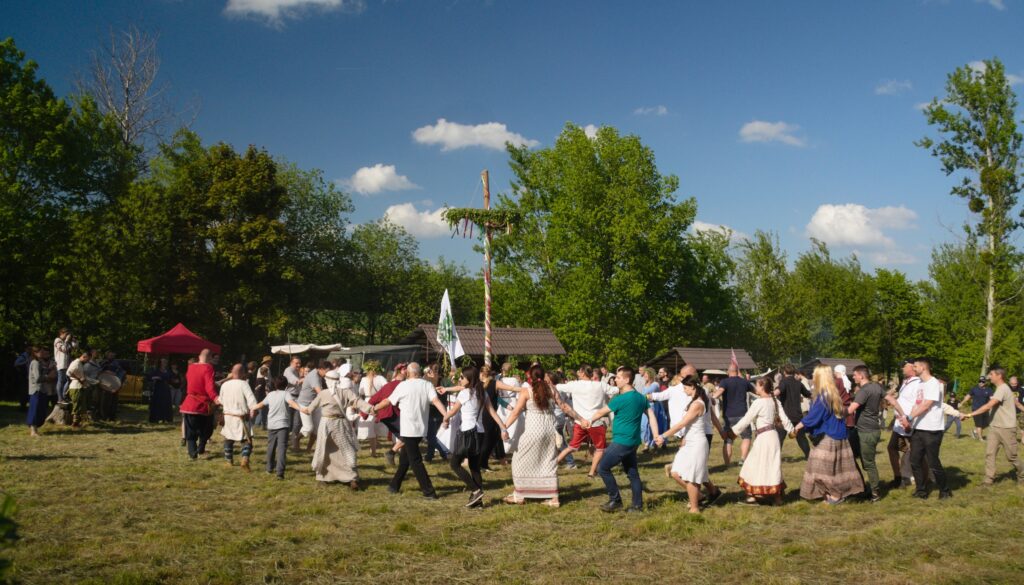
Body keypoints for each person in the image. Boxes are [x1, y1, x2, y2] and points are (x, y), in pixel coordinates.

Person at [499, 364, 579, 507]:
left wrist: (504, 427)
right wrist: (580, 418)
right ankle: (553, 498)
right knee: (548, 461)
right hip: (549, 430)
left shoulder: (526, 391)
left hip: (533, 431)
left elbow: (516, 412)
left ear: (530, 376)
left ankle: (520, 495)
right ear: (544, 376)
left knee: (519, 461)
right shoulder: (551, 389)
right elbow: (565, 407)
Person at [371, 362, 449, 499]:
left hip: (408, 429)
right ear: (419, 372)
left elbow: (388, 401)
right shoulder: (427, 385)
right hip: (421, 429)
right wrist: (446, 416)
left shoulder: (403, 385)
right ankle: (394, 485)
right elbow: (436, 401)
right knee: (405, 459)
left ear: (407, 373)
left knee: (415, 461)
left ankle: (429, 492)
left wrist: (374, 408)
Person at [587, 365, 660, 513]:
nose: (615, 380)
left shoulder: (620, 399)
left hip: (622, 442)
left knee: (603, 468)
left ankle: (615, 500)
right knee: (632, 473)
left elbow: (601, 412)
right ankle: (637, 506)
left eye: (619, 377)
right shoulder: (641, 398)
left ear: (627, 380)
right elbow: (651, 416)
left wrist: (589, 421)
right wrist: (656, 435)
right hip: (633, 442)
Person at [439, 366, 510, 508]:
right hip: (480, 433)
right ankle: (478, 502)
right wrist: (503, 429)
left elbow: (452, 411)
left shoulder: (465, 393)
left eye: (461, 377)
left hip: (468, 433)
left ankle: (476, 490)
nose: (460, 379)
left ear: (468, 379)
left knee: (454, 464)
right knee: (474, 467)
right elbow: (493, 413)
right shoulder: (482, 392)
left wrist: (445, 420)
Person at [792, 365, 863, 504]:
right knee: (834, 468)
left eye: (814, 374)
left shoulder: (824, 395)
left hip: (829, 435)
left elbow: (814, 415)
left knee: (823, 470)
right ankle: (832, 494)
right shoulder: (832, 392)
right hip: (836, 433)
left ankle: (836, 496)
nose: (812, 377)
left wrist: (797, 427)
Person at [295, 368, 374, 489]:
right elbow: (358, 402)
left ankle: (335, 477)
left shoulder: (324, 393)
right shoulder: (345, 392)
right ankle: (347, 478)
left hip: (327, 424)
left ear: (327, 381)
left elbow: (309, 409)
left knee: (325, 450)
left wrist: (297, 406)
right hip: (339, 424)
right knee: (345, 450)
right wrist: (371, 409)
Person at [655, 376, 721, 513]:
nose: (684, 390)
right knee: (675, 473)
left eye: (685, 387)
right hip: (689, 442)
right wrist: (684, 437)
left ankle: (695, 508)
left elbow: (682, 423)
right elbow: (687, 426)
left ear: (693, 387)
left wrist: (663, 436)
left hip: (697, 443)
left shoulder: (697, 404)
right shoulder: (693, 400)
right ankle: (701, 496)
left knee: (692, 478)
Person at [727, 377, 791, 505]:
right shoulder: (775, 401)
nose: (755, 388)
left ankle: (752, 496)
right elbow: (785, 419)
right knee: (772, 466)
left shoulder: (759, 403)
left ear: (762, 386)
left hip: (764, 439)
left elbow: (746, 419)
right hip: (773, 437)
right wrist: (792, 430)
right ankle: (776, 498)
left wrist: (732, 433)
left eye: (757, 385)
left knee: (751, 465)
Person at [961, 367, 1024, 486]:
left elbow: (989, 405)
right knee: (990, 454)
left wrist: (969, 414)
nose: (989, 377)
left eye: (991, 374)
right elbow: (1016, 403)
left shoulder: (1003, 388)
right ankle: (988, 480)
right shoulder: (999, 389)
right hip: (994, 427)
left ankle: (1022, 474)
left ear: (999, 376)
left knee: (1011, 456)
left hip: (1006, 428)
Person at [555, 365, 618, 479]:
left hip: (581, 422)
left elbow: (558, 386)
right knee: (600, 448)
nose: (578, 372)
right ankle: (592, 472)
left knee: (572, 447)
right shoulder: (600, 385)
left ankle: (552, 466)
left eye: (579, 370)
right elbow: (616, 390)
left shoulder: (575, 385)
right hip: (595, 422)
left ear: (583, 373)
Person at [901, 357, 950, 499]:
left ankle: (944, 490)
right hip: (918, 428)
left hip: (932, 429)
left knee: (933, 462)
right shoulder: (921, 384)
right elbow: (917, 404)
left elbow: (926, 405)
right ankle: (921, 491)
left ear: (923, 367)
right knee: (915, 460)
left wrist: (909, 417)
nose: (913, 368)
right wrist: (908, 420)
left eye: (915, 366)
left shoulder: (934, 383)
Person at [251, 376, 301, 479]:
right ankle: (280, 473)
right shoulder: (287, 394)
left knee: (271, 447)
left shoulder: (270, 395)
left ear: (275, 385)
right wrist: (301, 409)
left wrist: (250, 408)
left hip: (272, 425)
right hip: (283, 425)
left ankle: (269, 468)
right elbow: (291, 403)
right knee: (282, 448)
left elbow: (260, 405)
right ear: (286, 385)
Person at [849, 365, 884, 501]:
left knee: (868, 463)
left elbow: (851, 409)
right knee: (849, 456)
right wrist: (904, 416)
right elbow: (891, 400)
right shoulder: (876, 387)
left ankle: (875, 493)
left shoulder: (864, 391)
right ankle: (859, 486)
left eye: (854, 375)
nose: (853, 377)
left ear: (861, 376)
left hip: (867, 432)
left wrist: (835, 412)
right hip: (861, 430)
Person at [884, 360, 920, 488]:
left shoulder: (918, 383)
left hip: (910, 423)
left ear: (912, 367)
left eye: (904, 366)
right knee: (892, 448)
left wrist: (909, 419)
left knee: (917, 452)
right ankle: (898, 478)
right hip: (899, 424)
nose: (902, 368)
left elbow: (918, 403)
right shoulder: (905, 382)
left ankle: (921, 478)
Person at [181, 349, 219, 460]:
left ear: (199, 356)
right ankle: (201, 448)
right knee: (207, 429)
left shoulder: (191, 367)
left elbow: (191, 380)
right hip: (203, 405)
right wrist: (215, 397)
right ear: (210, 358)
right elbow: (209, 386)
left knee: (191, 430)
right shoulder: (208, 368)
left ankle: (193, 452)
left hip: (190, 403)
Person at [219, 364, 258, 470]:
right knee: (246, 440)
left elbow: (220, 401)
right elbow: (251, 400)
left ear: (232, 372)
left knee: (228, 439)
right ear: (242, 373)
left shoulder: (224, 385)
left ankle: (229, 461)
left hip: (228, 417)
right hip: (241, 417)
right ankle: (245, 458)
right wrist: (253, 409)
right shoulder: (244, 384)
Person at [713, 365, 753, 465]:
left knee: (728, 440)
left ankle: (727, 464)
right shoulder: (744, 382)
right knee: (746, 437)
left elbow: (720, 392)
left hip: (728, 415)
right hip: (743, 414)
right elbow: (756, 391)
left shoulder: (725, 382)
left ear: (728, 372)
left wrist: (712, 398)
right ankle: (743, 459)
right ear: (737, 371)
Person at [369, 363, 407, 467]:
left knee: (406, 438)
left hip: (387, 414)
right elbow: (380, 399)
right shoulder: (400, 384)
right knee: (407, 436)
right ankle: (392, 453)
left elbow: (374, 399)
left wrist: (365, 412)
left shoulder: (390, 385)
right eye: (405, 370)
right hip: (391, 413)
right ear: (400, 372)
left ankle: (402, 460)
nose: (407, 372)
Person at [777, 363, 812, 457]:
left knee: (779, 438)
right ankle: (809, 456)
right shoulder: (798, 383)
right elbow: (808, 394)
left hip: (785, 416)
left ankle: (775, 457)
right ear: (793, 372)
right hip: (797, 415)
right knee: (801, 438)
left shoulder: (783, 382)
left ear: (784, 372)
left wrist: (771, 393)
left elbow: (779, 390)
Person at [297, 361, 329, 452]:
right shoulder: (314, 376)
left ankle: (308, 449)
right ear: (321, 369)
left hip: (315, 403)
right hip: (304, 404)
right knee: (308, 428)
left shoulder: (319, 374)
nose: (327, 373)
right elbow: (319, 391)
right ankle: (296, 440)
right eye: (327, 371)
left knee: (317, 428)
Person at [359, 362, 388, 457]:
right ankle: (374, 449)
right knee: (376, 425)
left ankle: (374, 451)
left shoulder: (364, 379)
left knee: (371, 428)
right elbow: (387, 388)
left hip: (368, 401)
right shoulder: (381, 378)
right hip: (379, 402)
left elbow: (361, 391)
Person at [66, 348, 95, 428]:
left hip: (79, 387)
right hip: (75, 387)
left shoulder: (80, 364)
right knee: (77, 406)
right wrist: (79, 379)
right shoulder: (76, 363)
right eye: (87, 359)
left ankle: (77, 423)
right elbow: (69, 373)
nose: (88, 361)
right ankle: (74, 424)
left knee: (80, 406)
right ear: (84, 357)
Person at [283, 357, 305, 451]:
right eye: (297, 363)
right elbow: (296, 381)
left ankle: (294, 443)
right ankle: (284, 442)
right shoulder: (288, 370)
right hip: (289, 398)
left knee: (297, 423)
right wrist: (307, 379)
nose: (299, 365)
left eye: (299, 363)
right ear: (291, 362)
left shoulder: (297, 371)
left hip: (297, 398)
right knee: (288, 422)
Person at [26, 347, 48, 435]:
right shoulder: (35, 363)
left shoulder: (39, 362)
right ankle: (33, 431)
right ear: (35, 353)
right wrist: (47, 376)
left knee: (40, 410)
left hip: (41, 389)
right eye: (40, 352)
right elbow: (37, 377)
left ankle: (35, 430)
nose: (42, 354)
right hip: (36, 390)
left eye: (43, 352)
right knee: (35, 410)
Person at [964, 377, 993, 441]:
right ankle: (980, 438)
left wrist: (993, 405)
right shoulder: (974, 389)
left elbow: (992, 398)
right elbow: (968, 396)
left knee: (987, 423)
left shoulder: (989, 390)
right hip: (976, 409)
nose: (981, 383)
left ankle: (974, 432)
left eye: (982, 381)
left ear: (985, 382)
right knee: (979, 424)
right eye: (980, 381)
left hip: (985, 409)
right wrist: (961, 403)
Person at [148, 357, 174, 423]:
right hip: (158, 389)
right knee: (158, 403)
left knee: (166, 403)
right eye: (163, 362)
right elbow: (150, 377)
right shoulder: (156, 370)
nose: (164, 363)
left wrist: (172, 383)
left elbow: (171, 378)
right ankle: (156, 418)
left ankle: (165, 418)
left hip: (166, 389)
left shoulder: (168, 371)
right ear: (160, 363)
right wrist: (156, 377)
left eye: (165, 362)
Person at [53, 328, 76, 402]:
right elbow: (64, 349)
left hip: (67, 364)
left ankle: (63, 396)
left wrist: (73, 340)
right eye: (66, 334)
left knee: (69, 380)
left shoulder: (66, 342)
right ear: (61, 333)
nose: (67, 336)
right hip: (61, 364)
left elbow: (74, 348)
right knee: (61, 381)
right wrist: (66, 341)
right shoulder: (57, 340)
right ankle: (60, 398)